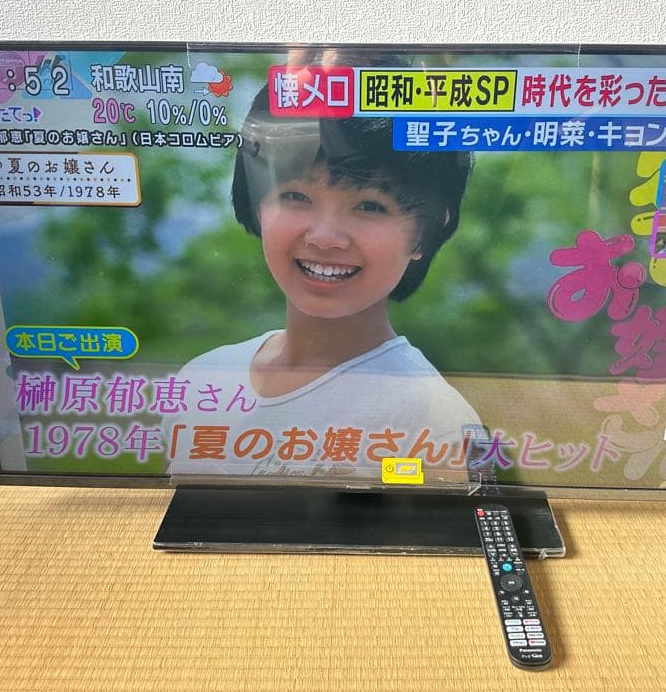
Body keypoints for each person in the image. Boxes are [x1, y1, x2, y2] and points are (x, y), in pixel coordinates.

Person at [164, 82, 481, 485]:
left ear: (425, 231)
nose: (324, 237)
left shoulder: (435, 422)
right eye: (295, 196)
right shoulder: (202, 377)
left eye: (370, 205)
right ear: (257, 205)